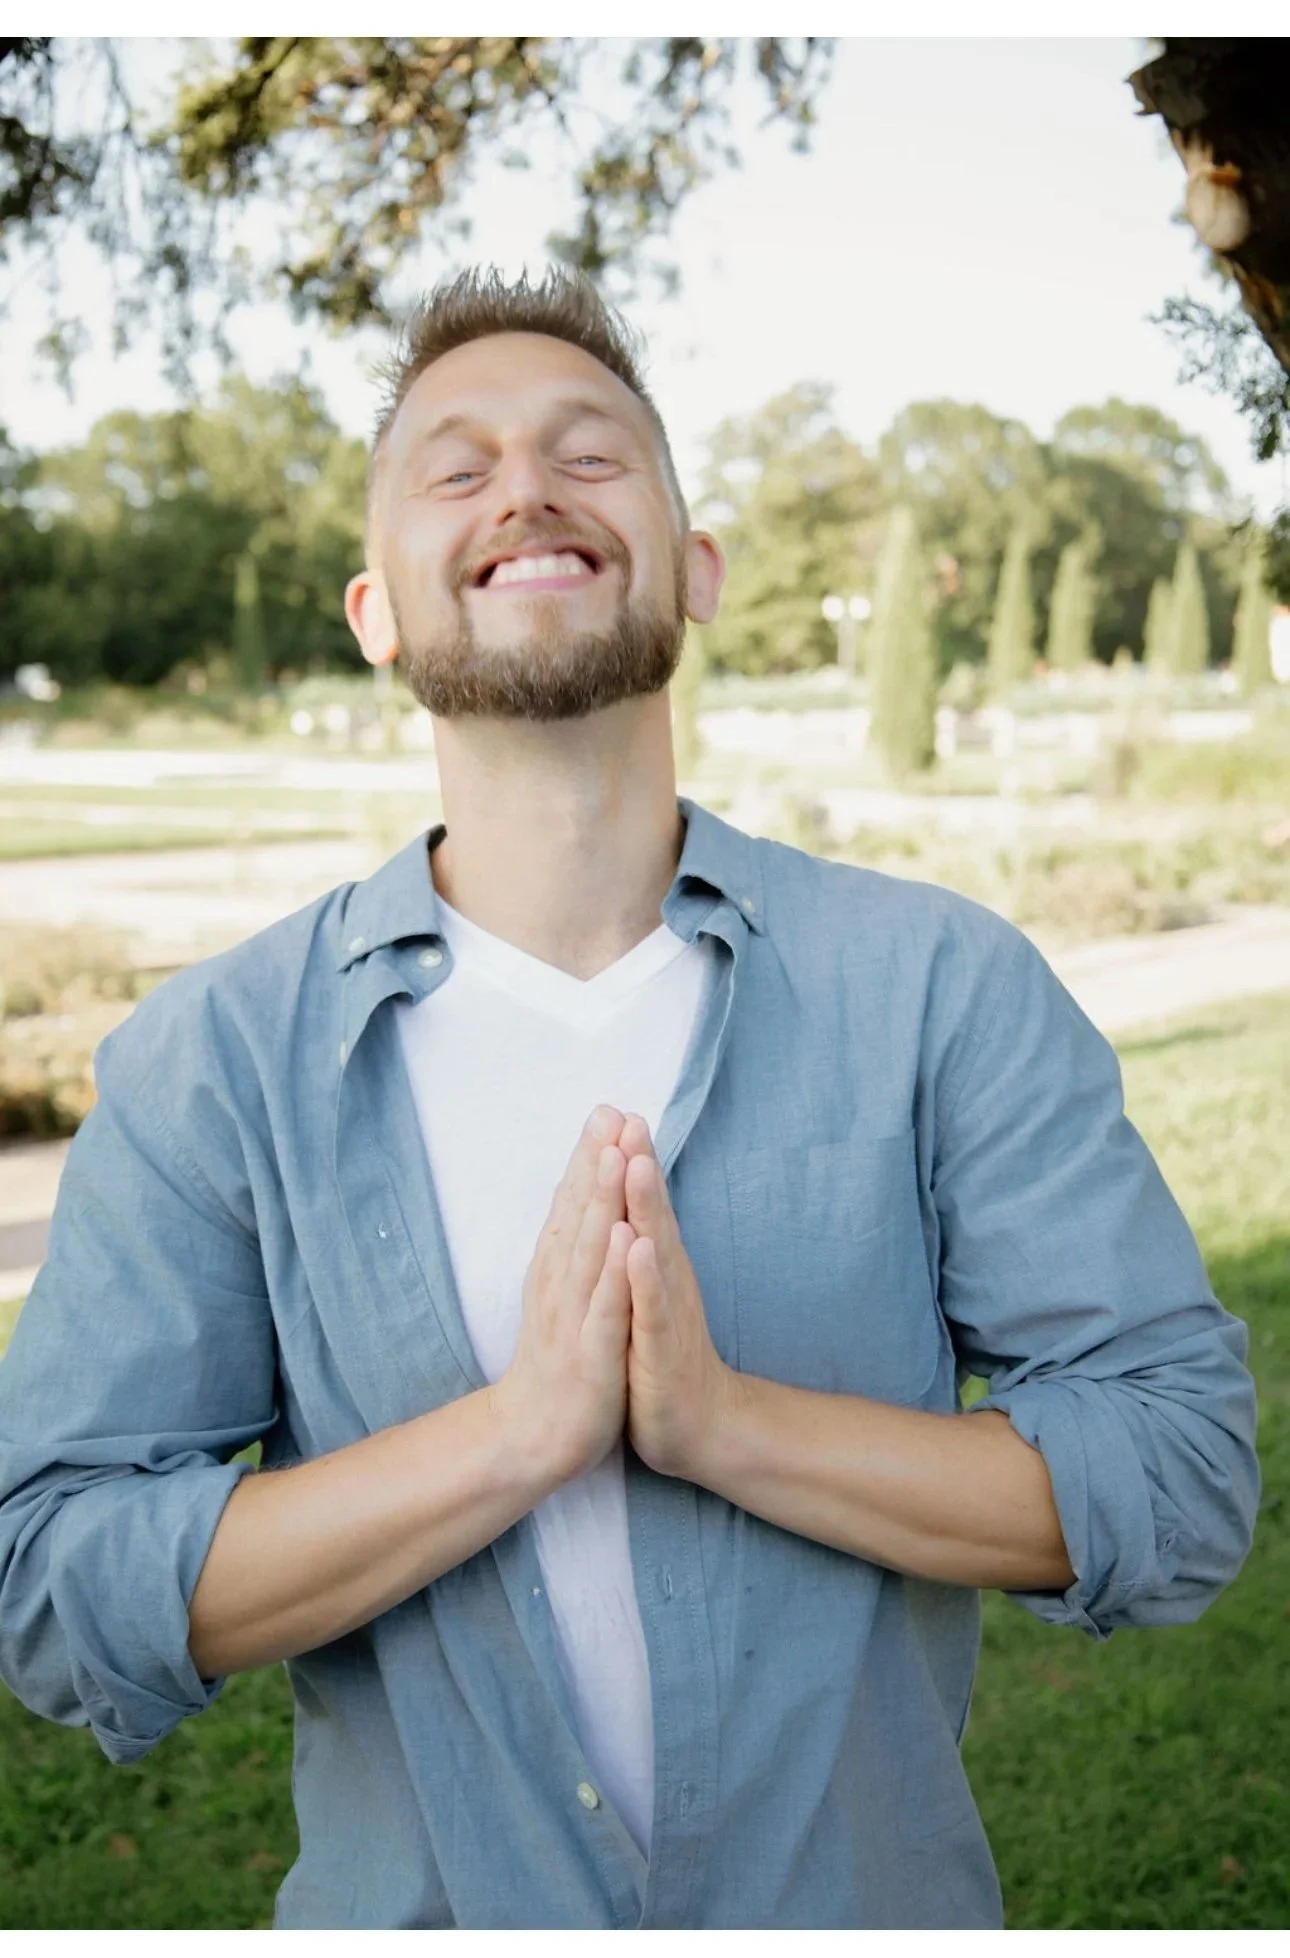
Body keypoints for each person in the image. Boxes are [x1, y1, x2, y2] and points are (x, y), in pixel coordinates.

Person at [0, 267, 1259, 1931]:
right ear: (375, 609)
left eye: (589, 456)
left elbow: (1173, 1469)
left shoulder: (939, 986)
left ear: (696, 567)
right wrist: (512, 1439)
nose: (524, 487)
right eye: (456, 467)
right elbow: (56, 1576)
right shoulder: (211, 1062)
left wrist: (726, 1428)